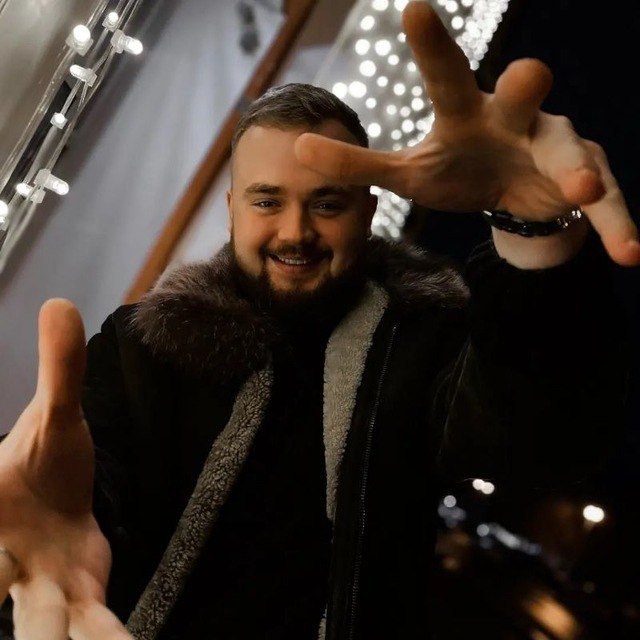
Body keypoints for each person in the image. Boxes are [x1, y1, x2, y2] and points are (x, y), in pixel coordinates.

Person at [0, 3, 637, 639]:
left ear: (368, 212)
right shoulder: (144, 344)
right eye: (267, 201)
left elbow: (541, 440)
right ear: (233, 209)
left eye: (327, 204)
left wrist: (534, 234)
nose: (295, 232)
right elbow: (76, 479)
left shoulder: (421, 348)